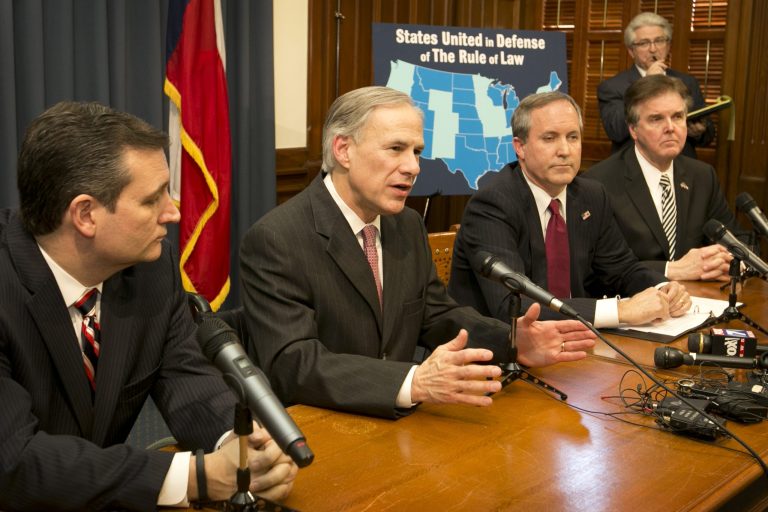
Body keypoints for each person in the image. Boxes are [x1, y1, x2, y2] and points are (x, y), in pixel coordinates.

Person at [0, 102, 296, 511]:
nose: (173, 213)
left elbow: (191, 382)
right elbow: (14, 461)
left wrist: (243, 448)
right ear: (85, 214)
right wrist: (197, 477)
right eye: (152, 199)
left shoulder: (152, 271)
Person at [239, 86, 596, 420]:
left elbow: (434, 315)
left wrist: (513, 342)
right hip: (321, 424)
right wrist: (412, 382)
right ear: (343, 150)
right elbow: (293, 363)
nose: (413, 167)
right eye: (396, 149)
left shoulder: (405, 224)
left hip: (404, 422)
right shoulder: (276, 239)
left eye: (417, 151)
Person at [448, 91, 691, 328]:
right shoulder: (493, 204)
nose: (565, 150)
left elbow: (621, 269)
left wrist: (663, 288)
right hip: (499, 353)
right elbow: (514, 306)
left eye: (573, 137)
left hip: (579, 342)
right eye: (550, 138)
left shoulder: (591, 196)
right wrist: (621, 311)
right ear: (520, 147)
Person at [586, 75, 746, 281]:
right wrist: (670, 270)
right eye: (656, 119)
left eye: (678, 117)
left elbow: (737, 241)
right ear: (633, 130)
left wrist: (729, 262)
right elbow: (598, 265)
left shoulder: (702, 176)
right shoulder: (599, 183)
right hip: (632, 303)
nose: (671, 127)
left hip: (699, 302)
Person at [597, 12, 714, 158]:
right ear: (631, 51)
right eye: (644, 43)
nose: (653, 49)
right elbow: (615, 130)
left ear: (668, 45)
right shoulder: (611, 87)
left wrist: (699, 132)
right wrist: (646, 82)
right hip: (634, 172)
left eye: (659, 41)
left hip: (681, 168)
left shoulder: (688, 82)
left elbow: (709, 134)